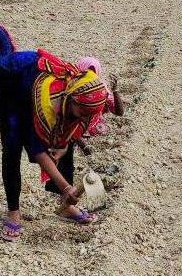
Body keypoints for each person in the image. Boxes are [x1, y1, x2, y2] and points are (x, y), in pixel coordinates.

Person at [0, 49, 110, 241]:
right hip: (9, 79)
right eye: (83, 112)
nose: (86, 117)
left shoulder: (80, 98)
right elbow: (37, 150)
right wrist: (67, 188)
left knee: (67, 133)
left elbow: (69, 133)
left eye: (89, 114)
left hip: (36, 79)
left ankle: (66, 207)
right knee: (13, 142)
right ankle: (13, 211)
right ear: (71, 100)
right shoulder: (46, 106)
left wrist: (63, 147)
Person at [40, 56, 126, 195]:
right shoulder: (70, 89)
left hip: (82, 130)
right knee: (62, 157)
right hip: (69, 132)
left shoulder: (98, 90)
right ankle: (61, 191)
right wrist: (83, 144)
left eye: (92, 71)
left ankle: (64, 191)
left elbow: (119, 112)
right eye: (87, 70)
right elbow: (67, 121)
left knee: (64, 158)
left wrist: (115, 91)